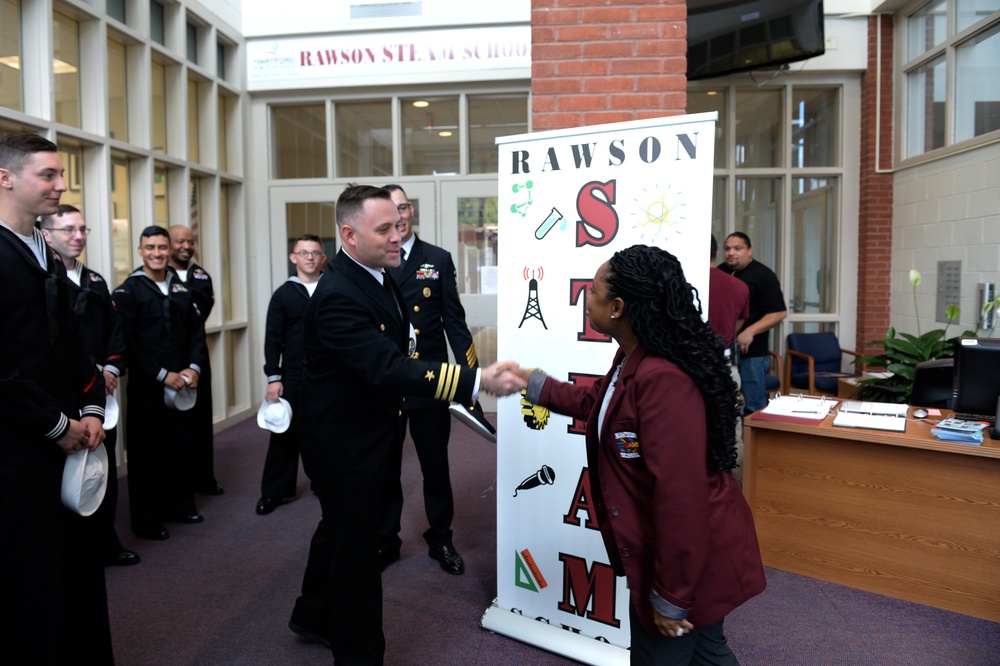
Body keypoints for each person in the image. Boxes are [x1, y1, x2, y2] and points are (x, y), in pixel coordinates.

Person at [288, 184, 524, 665]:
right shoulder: (339, 295)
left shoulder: (376, 274)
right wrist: (474, 380)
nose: (399, 236)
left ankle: (311, 615)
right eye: (385, 229)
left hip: (364, 429)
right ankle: (360, 656)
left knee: (337, 530)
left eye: (399, 225)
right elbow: (390, 367)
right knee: (357, 555)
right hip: (343, 445)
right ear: (348, 235)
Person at [515, 244, 766, 665]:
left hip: (686, 562)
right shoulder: (634, 355)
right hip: (683, 555)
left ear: (616, 307)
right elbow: (597, 403)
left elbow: (681, 499)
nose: (585, 299)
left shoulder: (663, 378)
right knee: (706, 652)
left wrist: (671, 598)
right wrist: (534, 384)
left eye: (591, 292)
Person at [0, 132, 113, 662]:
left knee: (75, 570)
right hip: (17, 449)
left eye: (60, 175)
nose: (60, 185)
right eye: (47, 175)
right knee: (28, 579)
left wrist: (90, 409)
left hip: (69, 437)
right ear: (6, 178)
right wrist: (56, 424)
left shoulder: (46, 251)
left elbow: (74, 341)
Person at [378, 184, 479, 575]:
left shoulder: (436, 259)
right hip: (387, 386)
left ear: (411, 211)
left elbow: (455, 323)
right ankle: (386, 540)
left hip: (430, 383)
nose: (398, 217)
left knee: (435, 467)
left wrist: (467, 380)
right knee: (385, 469)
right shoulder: (372, 259)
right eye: (390, 211)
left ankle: (441, 539)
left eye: (402, 208)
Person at [39, 204, 140, 566]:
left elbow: (116, 331)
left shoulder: (95, 281)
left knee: (101, 468)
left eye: (83, 229)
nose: (78, 236)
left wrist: (111, 370)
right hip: (62, 395)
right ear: (47, 234)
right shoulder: (41, 279)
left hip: (100, 393)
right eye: (69, 230)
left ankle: (105, 542)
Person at [113, 225, 208, 540]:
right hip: (147, 390)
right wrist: (162, 374)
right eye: (150, 248)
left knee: (180, 447)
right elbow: (128, 344)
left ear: (169, 251)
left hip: (183, 385)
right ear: (140, 251)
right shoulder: (128, 292)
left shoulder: (181, 289)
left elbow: (196, 332)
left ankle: (179, 507)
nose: (157, 253)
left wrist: (193, 368)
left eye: (162, 248)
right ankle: (147, 520)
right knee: (146, 456)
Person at [256, 233, 325, 515]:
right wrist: (274, 378)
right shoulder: (284, 294)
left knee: (325, 432)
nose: (309, 257)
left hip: (327, 375)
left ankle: (324, 483)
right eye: (304, 252)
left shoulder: (332, 290)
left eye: (315, 252)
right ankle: (274, 492)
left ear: (323, 258)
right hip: (294, 375)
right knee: (284, 435)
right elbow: (273, 339)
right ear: (293, 257)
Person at [168, 224, 223, 495]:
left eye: (190, 242)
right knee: (175, 427)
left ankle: (204, 479)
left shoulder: (201, 275)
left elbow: (199, 312)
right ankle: (180, 483)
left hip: (197, 355)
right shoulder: (156, 274)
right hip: (168, 358)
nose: (186, 246)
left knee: (201, 420)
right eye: (180, 241)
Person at [718, 232, 787, 414]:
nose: (731, 252)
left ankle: (753, 442)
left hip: (752, 353)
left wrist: (750, 331)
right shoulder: (721, 272)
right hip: (723, 352)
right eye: (727, 248)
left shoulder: (764, 275)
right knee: (725, 406)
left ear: (750, 250)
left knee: (754, 406)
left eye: (737, 248)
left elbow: (779, 312)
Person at [708, 234, 750, 483]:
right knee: (730, 430)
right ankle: (734, 490)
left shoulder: (678, 283)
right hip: (724, 364)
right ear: (717, 252)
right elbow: (737, 324)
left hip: (682, 365)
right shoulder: (738, 287)